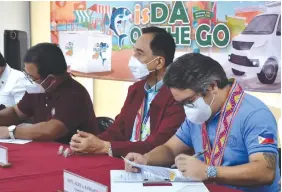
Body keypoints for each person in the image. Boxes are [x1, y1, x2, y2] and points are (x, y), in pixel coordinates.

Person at [125, 53, 280, 192]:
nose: (187, 108)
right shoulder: (199, 114)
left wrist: (209, 171)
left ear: (212, 86)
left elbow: (265, 171)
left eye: (189, 101)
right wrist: (146, 159)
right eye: (181, 103)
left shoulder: (255, 115)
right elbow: (170, 149)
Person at [70, 26, 185, 157]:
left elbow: (158, 144)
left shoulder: (177, 95)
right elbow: (118, 130)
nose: (133, 59)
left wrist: (105, 147)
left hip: (154, 165)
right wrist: (89, 142)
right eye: (134, 52)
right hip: (125, 161)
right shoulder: (136, 89)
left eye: (140, 54)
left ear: (159, 62)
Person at [0, 43, 99, 144]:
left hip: (75, 154)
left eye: (31, 77)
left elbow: (51, 131)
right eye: (26, 74)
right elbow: (16, 112)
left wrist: (10, 131)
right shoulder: (37, 88)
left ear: (51, 80)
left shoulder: (75, 94)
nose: (27, 80)